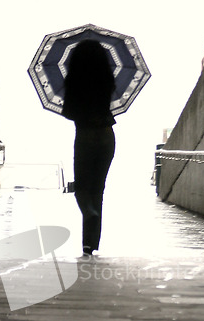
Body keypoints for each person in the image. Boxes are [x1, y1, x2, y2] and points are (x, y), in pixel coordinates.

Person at [62, 39, 116, 256]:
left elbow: (68, 112)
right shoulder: (106, 79)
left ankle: (88, 215)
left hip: (84, 135)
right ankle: (91, 244)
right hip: (106, 135)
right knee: (98, 190)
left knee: (82, 188)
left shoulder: (75, 80)